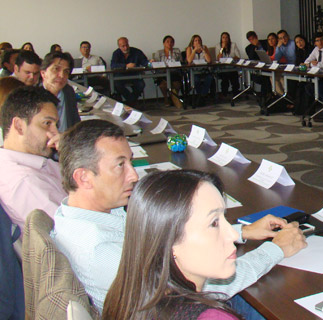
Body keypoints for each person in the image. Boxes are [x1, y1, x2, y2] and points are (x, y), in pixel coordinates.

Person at [52, 119, 306, 314]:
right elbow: (202, 284)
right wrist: (276, 250)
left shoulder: (73, 215)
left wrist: (242, 232)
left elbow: (157, 242)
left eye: (130, 162)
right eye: (120, 165)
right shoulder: (101, 251)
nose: (133, 175)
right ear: (83, 177)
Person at [103, 170, 243, 319]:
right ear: (170, 242)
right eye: (214, 223)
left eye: (224, 217)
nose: (233, 235)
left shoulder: (126, 296)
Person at [0, 86, 66, 233]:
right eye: (47, 123)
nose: (55, 133)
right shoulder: (25, 182)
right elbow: (74, 231)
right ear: (19, 126)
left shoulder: (34, 160)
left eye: (56, 125)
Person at [40, 51, 80, 132]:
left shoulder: (68, 91)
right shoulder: (33, 96)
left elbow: (75, 122)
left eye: (66, 71)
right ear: (43, 73)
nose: (62, 75)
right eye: (56, 69)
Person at [110, 37, 149, 105]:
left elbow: (144, 61)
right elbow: (113, 65)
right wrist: (126, 66)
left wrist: (150, 63)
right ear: (119, 46)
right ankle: (132, 101)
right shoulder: (116, 53)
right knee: (116, 84)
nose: (126, 48)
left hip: (134, 75)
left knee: (141, 85)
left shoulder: (136, 52)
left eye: (127, 45)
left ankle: (130, 102)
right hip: (121, 75)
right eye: (123, 46)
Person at [151, 35, 183, 108]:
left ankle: (173, 97)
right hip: (163, 73)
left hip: (174, 72)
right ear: (164, 43)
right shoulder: (159, 53)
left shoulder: (177, 51)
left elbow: (181, 62)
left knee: (177, 83)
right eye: (167, 42)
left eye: (171, 42)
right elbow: (156, 64)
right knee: (163, 84)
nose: (169, 43)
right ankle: (166, 98)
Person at [186, 34, 213, 105]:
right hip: (194, 71)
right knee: (196, 80)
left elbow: (209, 60)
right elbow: (189, 60)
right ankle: (200, 96)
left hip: (204, 70)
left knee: (209, 78)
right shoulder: (189, 48)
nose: (198, 42)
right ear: (193, 42)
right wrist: (194, 50)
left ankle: (202, 95)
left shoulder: (205, 48)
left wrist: (203, 51)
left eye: (199, 40)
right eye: (196, 41)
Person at [215, 32, 241, 97]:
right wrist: (222, 49)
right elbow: (218, 59)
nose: (225, 39)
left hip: (232, 67)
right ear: (221, 39)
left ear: (229, 38)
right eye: (223, 38)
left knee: (234, 78)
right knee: (224, 78)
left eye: (226, 37)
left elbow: (238, 56)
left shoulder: (233, 45)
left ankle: (236, 94)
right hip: (222, 68)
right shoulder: (218, 46)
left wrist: (231, 59)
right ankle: (224, 94)